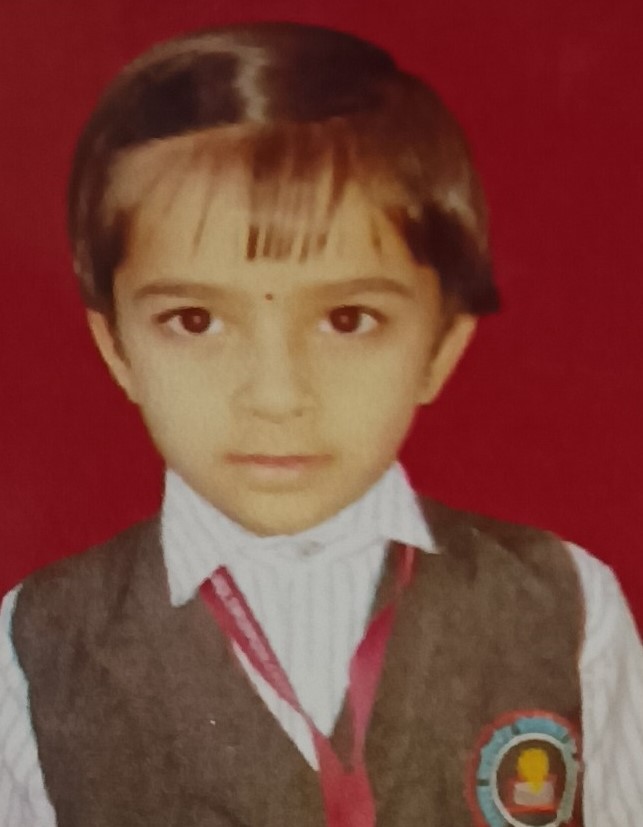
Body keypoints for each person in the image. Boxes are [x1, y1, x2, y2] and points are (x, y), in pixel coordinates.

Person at [1, 21, 641, 827]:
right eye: (194, 320)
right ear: (117, 348)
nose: (276, 396)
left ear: (440, 348)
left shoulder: (569, 605)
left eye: (347, 319)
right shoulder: (32, 643)